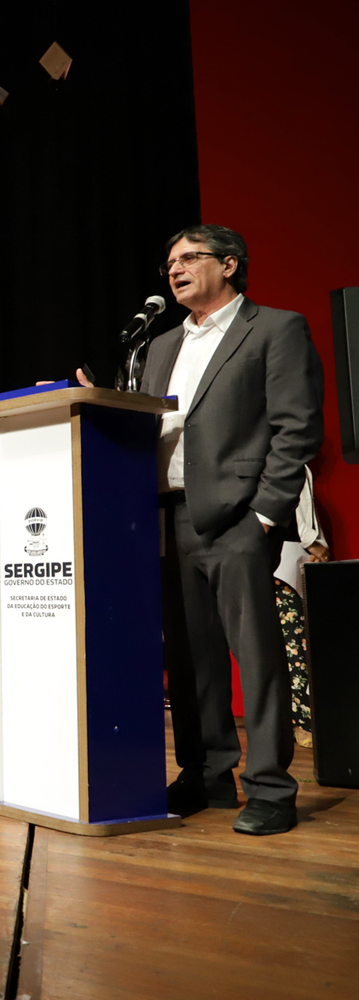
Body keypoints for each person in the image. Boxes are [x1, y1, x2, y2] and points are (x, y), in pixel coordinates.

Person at [138, 224, 323, 836]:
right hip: (169, 516)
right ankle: (208, 774)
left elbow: (296, 428)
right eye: (170, 261)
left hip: (240, 518)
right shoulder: (160, 346)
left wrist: (265, 514)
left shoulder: (275, 329)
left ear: (231, 264)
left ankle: (270, 786)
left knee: (256, 656)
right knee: (190, 658)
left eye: (190, 257)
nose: (176, 268)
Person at [273, 466, 330, 748]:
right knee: (292, 643)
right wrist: (312, 542)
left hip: (293, 555)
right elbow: (287, 504)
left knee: (298, 642)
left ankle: (302, 720)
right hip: (281, 556)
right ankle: (300, 722)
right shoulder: (278, 457)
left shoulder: (298, 464)